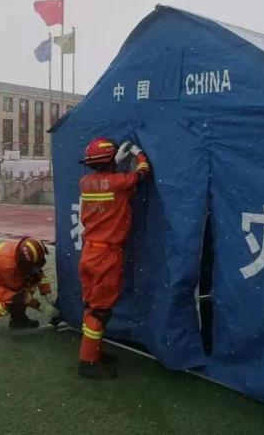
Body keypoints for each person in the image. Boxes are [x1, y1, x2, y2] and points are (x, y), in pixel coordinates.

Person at [77, 137, 150, 379]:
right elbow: (143, 173)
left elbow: (103, 184)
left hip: (89, 252)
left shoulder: (84, 182)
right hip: (106, 255)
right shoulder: (120, 183)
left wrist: (113, 164)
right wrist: (138, 153)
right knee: (100, 310)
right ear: (111, 160)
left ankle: (93, 351)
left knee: (92, 306)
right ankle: (88, 361)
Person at [0, 237, 59, 338]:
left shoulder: (23, 251)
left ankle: (18, 320)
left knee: (30, 281)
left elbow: (37, 272)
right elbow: (23, 295)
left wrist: (48, 295)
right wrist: (43, 308)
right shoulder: (8, 267)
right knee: (16, 300)